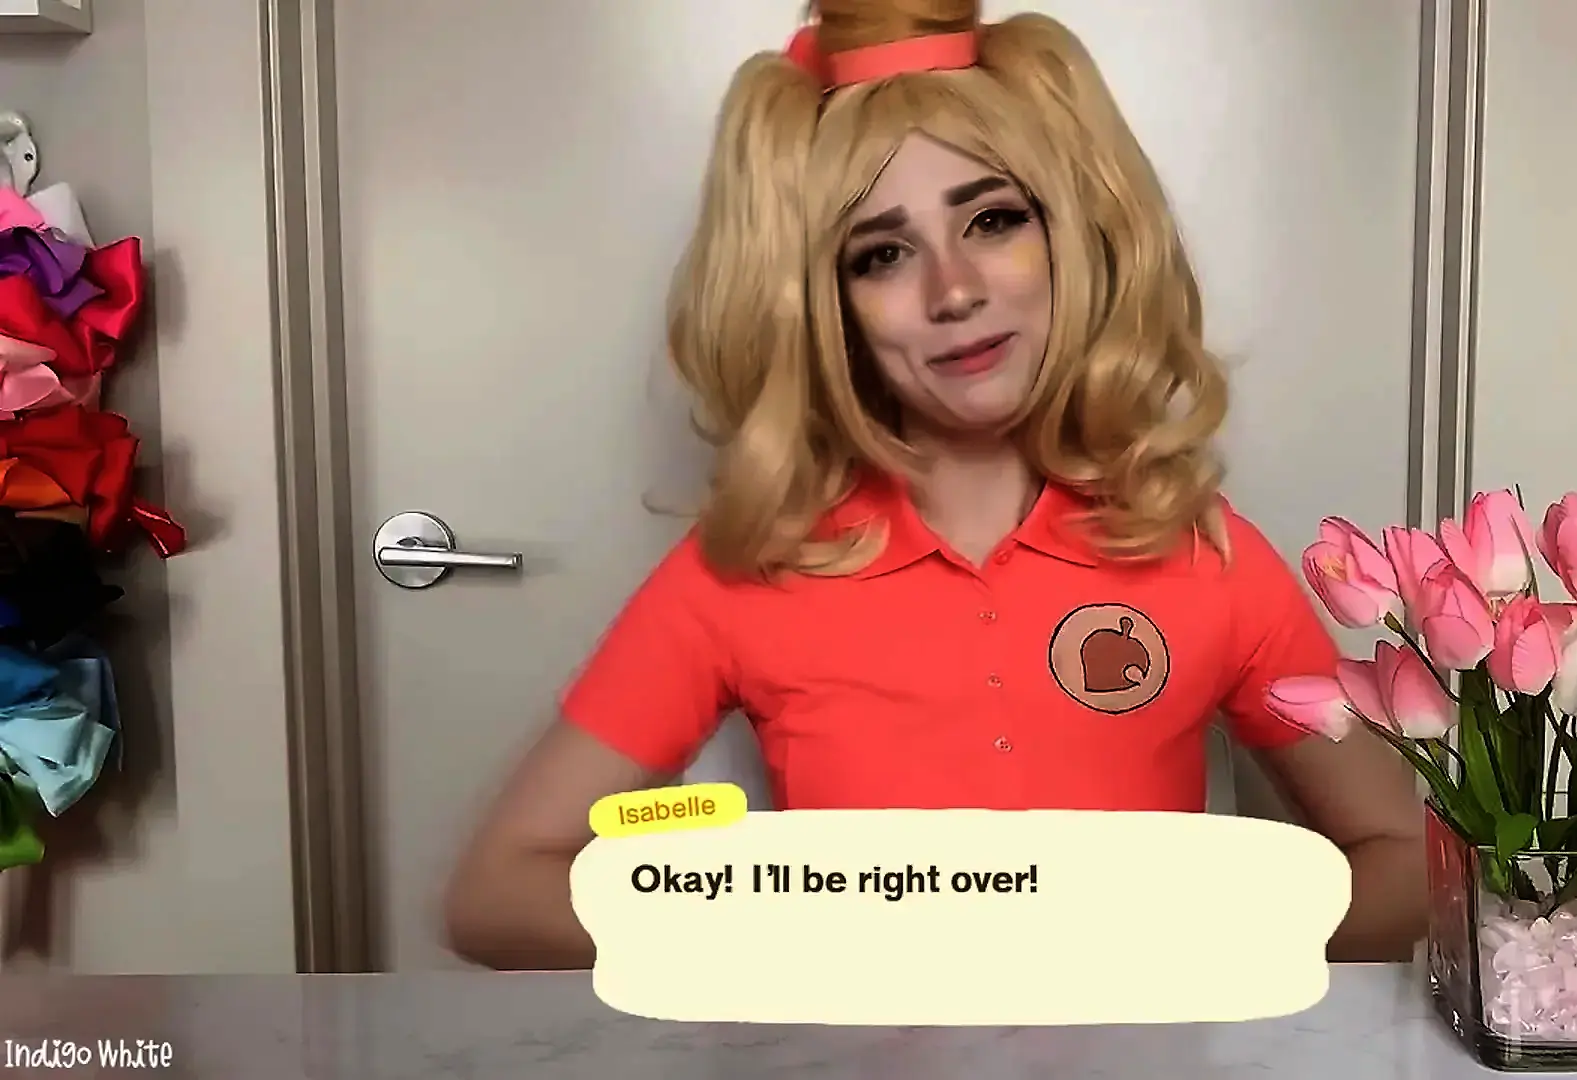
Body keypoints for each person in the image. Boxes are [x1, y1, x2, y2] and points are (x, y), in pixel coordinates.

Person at [442, 0, 1425, 971]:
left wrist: (1203, 948)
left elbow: (1405, 862)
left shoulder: (1202, 552)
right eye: (883, 254)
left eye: (993, 220)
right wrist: (801, 946)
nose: (954, 290)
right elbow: (497, 895)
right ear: (830, 306)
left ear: (1071, 239)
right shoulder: (749, 569)